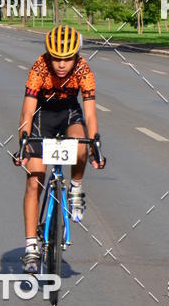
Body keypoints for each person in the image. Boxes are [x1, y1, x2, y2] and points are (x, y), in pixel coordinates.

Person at [13, 24, 105, 273]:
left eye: (67, 59)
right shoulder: (38, 68)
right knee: (34, 181)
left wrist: (95, 143)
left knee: (81, 146)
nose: (62, 64)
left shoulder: (84, 69)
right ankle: (31, 246)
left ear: (76, 56)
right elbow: (28, 111)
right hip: (43, 118)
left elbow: (89, 112)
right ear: (48, 56)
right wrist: (23, 142)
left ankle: (75, 188)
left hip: (68, 115)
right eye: (56, 59)